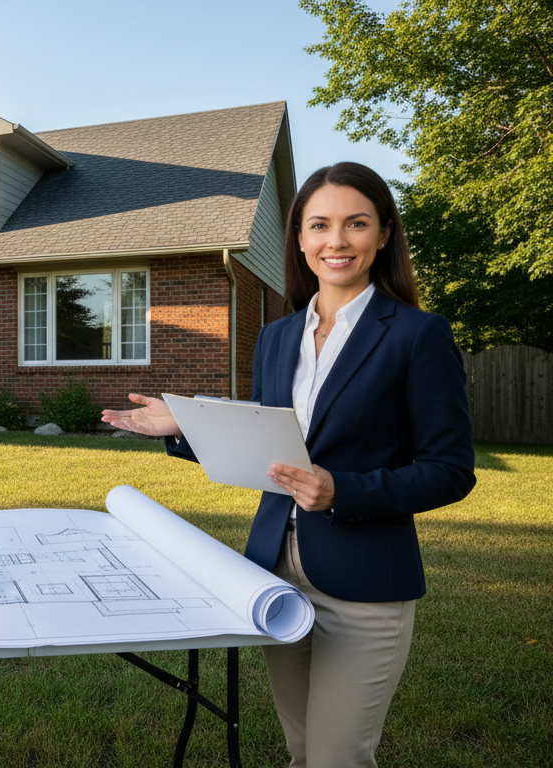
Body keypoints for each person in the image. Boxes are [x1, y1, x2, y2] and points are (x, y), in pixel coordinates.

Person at [100, 162, 475, 768]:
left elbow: (452, 469)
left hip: (365, 582)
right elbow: (269, 447)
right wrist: (184, 425)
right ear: (299, 239)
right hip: (273, 573)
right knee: (302, 752)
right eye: (319, 225)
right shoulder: (276, 338)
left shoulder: (417, 335)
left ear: (383, 234)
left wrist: (341, 491)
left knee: (337, 758)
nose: (337, 240)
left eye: (356, 224)